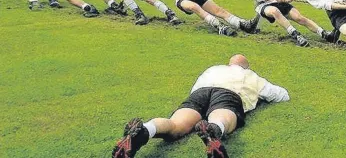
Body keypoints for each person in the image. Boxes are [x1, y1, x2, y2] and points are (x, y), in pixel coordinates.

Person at [111, 54, 289, 158]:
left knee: (176, 125)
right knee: (221, 116)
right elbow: (281, 95)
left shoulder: (213, 69)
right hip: (228, 94)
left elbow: (195, 88)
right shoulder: (249, 75)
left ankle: (146, 130)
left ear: (229, 63)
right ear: (245, 66)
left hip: (200, 93)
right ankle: (213, 129)